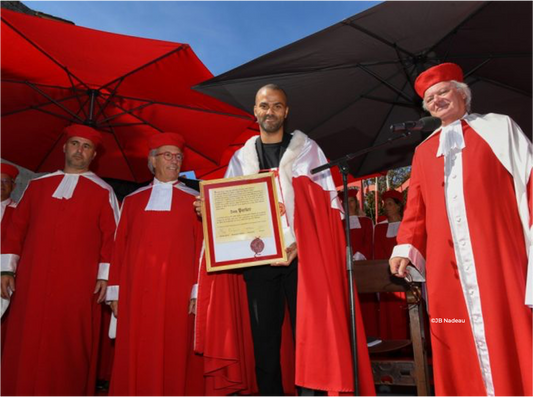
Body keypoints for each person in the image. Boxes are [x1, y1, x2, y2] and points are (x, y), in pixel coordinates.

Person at [195, 84, 375, 396]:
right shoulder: (241, 158)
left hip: (303, 259)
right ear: (255, 111)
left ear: (286, 112)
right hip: (259, 261)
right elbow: (231, 213)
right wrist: (208, 211)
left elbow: (326, 210)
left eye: (277, 106)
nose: (270, 112)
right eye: (264, 106)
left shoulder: (308, 151)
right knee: (264, 339)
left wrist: (299, 244)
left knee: (310, 332)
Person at [389, 62, 533, 396]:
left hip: (499, 259)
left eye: (442, 92)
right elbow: (415, 211)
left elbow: (529, 181)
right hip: (447, 274)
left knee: (512, 332)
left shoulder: (499, 128)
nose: (436, 100)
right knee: (453, 335)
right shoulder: (424, 151)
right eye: (429, 98)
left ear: (462, 93)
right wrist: (404, 251)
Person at [0, 124, 119, 397]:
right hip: (32, 279)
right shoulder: (37, 185)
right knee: (25, 340)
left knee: (68, 345)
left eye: (86, 147)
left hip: (78, 285)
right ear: (64, 147)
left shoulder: (103, 191)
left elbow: (113, 238)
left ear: (93, 155)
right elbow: (16, 229)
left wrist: (104, 276)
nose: (80, 150)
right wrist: (5, 269)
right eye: (75, 144)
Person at [107, 132, 204, 397]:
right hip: (136, 292)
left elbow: (201, 249)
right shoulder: (132, 201)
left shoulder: (195, 202)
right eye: (168, 155)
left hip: (177, 295)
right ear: (152, 160)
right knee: (137, 349)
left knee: (174, 350)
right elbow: (119, 249)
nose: (174, 161)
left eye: (178, 156)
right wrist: (115, 292)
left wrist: (198, 291)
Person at [373, 189, 408, 340]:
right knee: (389, 311)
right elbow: (377, 252)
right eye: (384, 204)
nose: (386, 207)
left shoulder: (407, 225)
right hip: (387, 276)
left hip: (406, 276)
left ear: (398, 206)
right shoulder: (379, 228)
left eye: (389, 204)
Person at [0, 163, 19, 356]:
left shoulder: (19, 212)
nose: (0, 185)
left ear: (13, 186)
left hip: (4, 279)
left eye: (6, 181)